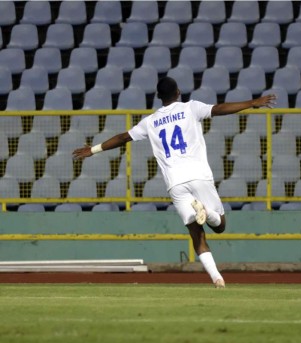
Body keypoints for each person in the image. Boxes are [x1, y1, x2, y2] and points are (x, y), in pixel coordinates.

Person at [73, 77, 276, 288]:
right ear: (178, 92)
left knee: (196, 235)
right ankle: (208, 212)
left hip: (175, 183)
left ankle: (217, 279)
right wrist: (252, 103)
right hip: (198, 176)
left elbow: (123, 137)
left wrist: (93, 150)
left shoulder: (150, 121)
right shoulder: (191, 108)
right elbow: (221, 108)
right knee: (220, 226)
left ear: (159, 97)